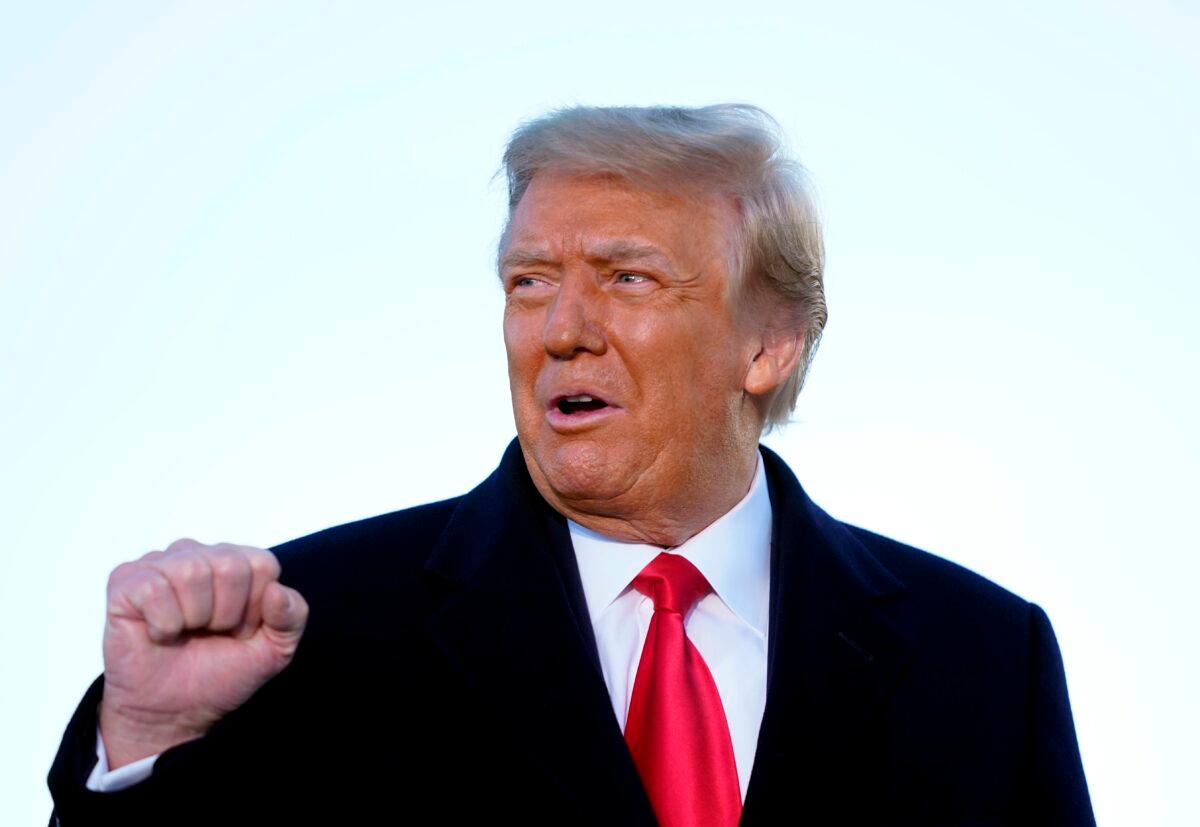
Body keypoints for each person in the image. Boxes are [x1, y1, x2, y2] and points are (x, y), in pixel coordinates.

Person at [47, 104, 1096, 826]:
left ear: (767, 343)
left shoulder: (982, 658)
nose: (561, 328)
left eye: (626, 277)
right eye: (529, 280)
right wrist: (146, 737)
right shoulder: (311, 625)